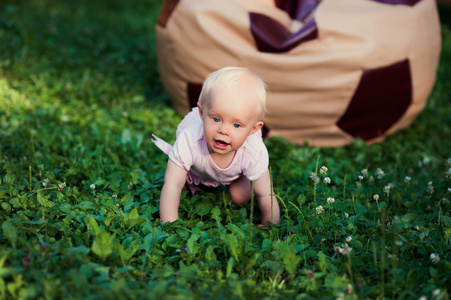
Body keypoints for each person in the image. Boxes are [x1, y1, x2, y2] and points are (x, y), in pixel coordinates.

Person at [152, 66, 280, 226]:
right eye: (216, 119)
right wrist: (169, 226)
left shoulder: (253, 151)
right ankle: (193, 185)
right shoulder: (191, 139)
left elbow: (266, 194)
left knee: (239, 197)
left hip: (234, 175)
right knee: (179, 185)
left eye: (237, 125)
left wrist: (271, 224)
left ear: (253, 129)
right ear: (201, 113)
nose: (223, 130)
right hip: (196, 172)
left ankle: (240, 183)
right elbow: (172, 184)